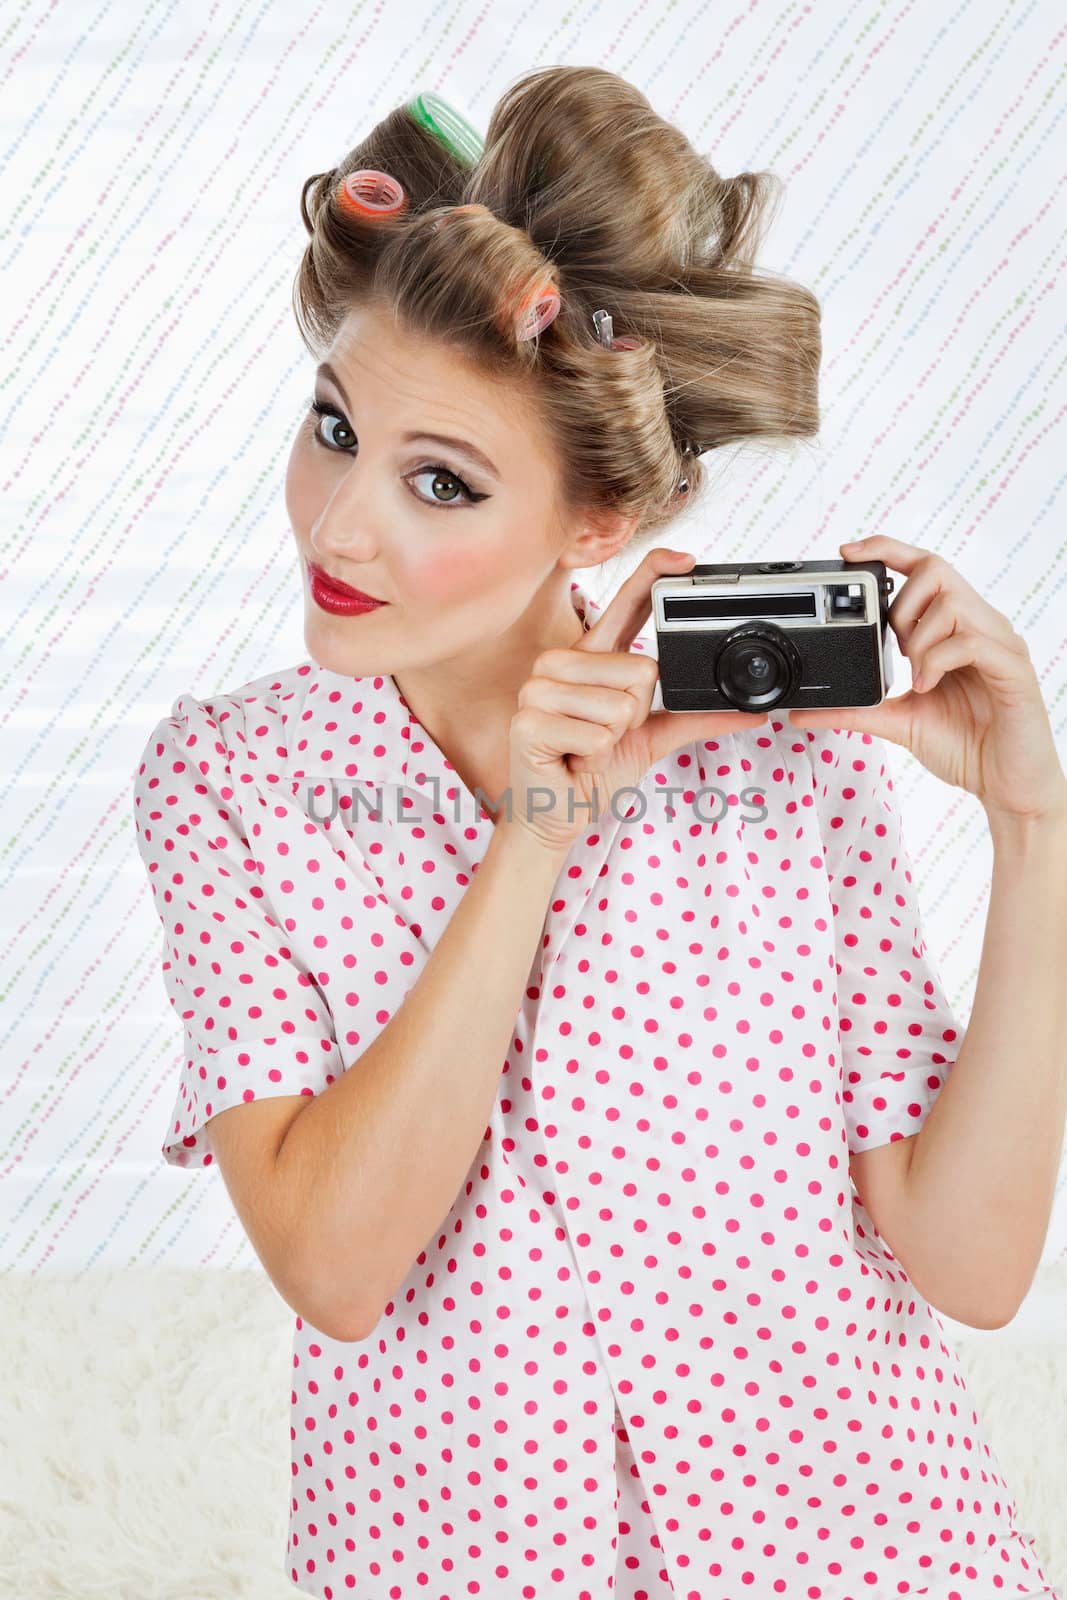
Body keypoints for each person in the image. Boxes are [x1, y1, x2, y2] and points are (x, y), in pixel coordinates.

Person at [131, 68, 1066, 1600]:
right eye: (333, 426)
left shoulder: (784, 769)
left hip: (863, 1552)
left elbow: (967, 1261)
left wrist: (1037, 829)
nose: (340, 524)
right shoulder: (232, 783)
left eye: (441, 481)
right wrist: (538, 836)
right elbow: (337, 1261)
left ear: (595, 524)